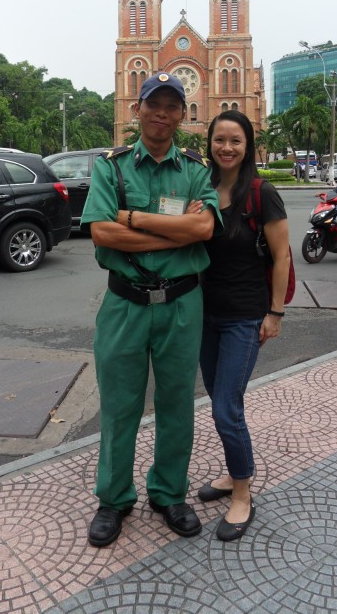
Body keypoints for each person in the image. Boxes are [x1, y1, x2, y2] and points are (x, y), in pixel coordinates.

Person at [80, 72, 221, 548]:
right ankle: (114, 498)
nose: (162, 113)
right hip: (124, 303)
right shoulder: (112, 168)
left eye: (171, 106)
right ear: (137, 110)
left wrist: (134, 220)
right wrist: (175, 232)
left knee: (177, 404)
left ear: (182, 114)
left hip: (181, 304)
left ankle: (168, 493)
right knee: (119, 406)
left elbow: (203, 230)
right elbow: (101, 233)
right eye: (153, 104)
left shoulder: (195, 170)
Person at [196, 110, 290, 541]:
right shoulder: (203, 187)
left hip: (245, 317)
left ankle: (242, 491)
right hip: (205, 315)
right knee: (221, 401)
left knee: (225, 408)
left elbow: (282, 255)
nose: (227, 148)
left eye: (235, 140)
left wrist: (275, 313)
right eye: (220, 140)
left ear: (248, 145)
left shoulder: (261, 193)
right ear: (210, 143)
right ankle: (233, 474)